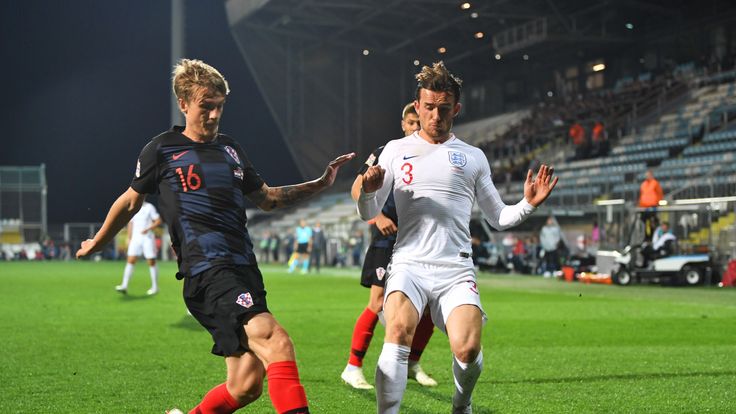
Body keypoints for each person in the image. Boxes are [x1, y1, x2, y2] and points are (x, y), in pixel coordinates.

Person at [76, 59, 355, 414]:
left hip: (243, 267)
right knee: (276, 340)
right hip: (207, 270)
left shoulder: (231, 150)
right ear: (184, 103)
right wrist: (98, 241)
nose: (213, 115)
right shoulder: (162, 150)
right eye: (206, 106)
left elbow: (267, 199)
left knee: (245, 386)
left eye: (219, 107)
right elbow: (131, 201)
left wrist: (320, 184)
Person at [357, 62, 557, 414]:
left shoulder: (472, 157)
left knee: (466, 350)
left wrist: (527, 204)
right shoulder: (394, 149)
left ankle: (460, 405)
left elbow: (498, 217)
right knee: (398, 332)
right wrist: (367, 195)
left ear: (456, 110)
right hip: (409, 263)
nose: (435, 116)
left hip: (456, 269)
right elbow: (366, 211)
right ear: (417, 107)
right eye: (429, 107)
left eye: (444, 109)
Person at [341, 102, 437, 390]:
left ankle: (412, 363)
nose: (414, 127)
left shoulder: (435, 154)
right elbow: (357, 187)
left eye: (417, 122)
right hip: (387, 237)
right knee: (379, 302)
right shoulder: (387, 151)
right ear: (403, 124)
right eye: (410, 122)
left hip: (421, 240)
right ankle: (353, 367)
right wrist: (378, 216)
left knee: (430, 307)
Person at [115, 201, 162, 295]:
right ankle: (124, 285)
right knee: (130, 260)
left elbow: (158, 220)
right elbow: (130, 223)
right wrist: (129, 238)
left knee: (151, 261)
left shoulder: (149, 207)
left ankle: (155, 287)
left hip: (147, 238)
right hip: (135, 238)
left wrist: (148, 228)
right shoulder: (133, 207)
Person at [639, 169, 664, 240]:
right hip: (644, 207)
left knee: (652, 222)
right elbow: (641, 195)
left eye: (649, 175)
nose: (647, 176)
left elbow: (659, 194)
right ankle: (646, 237)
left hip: (652, 206)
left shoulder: (655, 183)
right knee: (644, 221)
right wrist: (640, 205)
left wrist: (658, 203)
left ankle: (653, 236)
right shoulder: (643, 184)